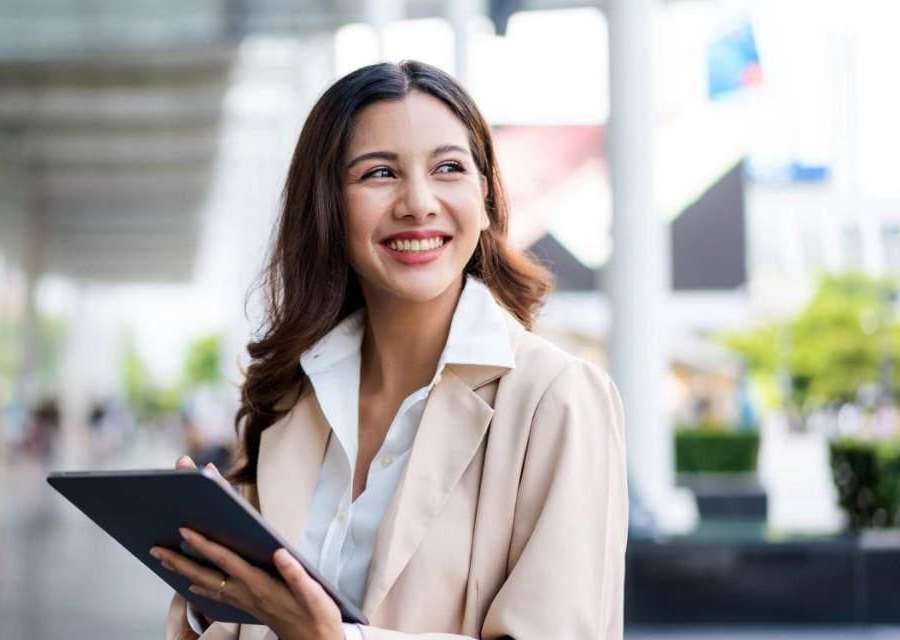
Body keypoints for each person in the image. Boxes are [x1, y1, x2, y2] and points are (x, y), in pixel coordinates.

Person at [150, 61, 627, 640]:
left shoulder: (557, 400)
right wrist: (211, 593)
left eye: (449, 167)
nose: (419, 203)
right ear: (327, 205)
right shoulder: (289, 399)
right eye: (379, 173)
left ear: (484, 196)